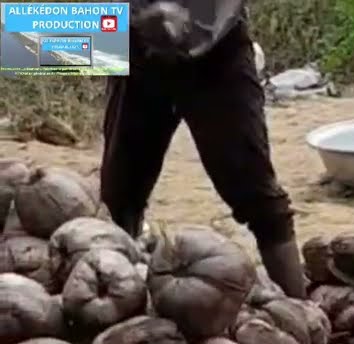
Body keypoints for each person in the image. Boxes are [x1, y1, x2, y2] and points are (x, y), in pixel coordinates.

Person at [99, 0, 307, 298]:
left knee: (259, 200)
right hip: (128, 43)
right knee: (117, 197)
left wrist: (199, 20)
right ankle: (117, 289)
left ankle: (300, 315)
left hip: (217, 52)